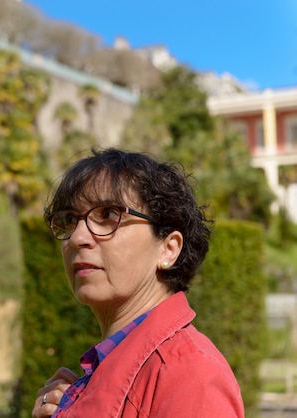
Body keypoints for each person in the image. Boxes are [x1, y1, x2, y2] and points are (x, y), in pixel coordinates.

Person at [32, 148, 245, 418]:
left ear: (168, 249)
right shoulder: (111, 366)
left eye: (109, 214)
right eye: (70, 220)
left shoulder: (189, 374)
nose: (77, 237)